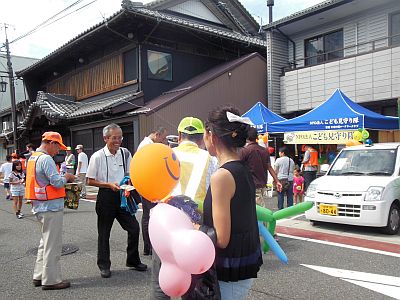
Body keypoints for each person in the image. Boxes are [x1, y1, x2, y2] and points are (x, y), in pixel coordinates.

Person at [150, 117, 218, 300]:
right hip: (196, 225)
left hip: (164, 223)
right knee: (194, 282)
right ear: (201, 137)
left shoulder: (165, 154)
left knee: (161, 280)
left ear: (180, 136)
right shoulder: (210, 160)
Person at [202, 106, 262, 299]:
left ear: (212, 136)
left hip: (229, 268)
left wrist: (194, 226)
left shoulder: (221, 176)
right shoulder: (242, 168)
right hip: (243, 261)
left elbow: (221, 238)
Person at [86, 123, 147, 279]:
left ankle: (133, 260)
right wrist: (107, 184)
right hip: (106, 196)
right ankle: (104, 265)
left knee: (133, 228)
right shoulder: (97, 156)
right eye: (114, 138)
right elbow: (89, 181)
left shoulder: (125, 153)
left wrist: (131, 184)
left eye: (120, 137)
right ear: (106, 138)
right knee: (104, 233)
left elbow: (130, 173)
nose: (118, 140)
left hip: (122, 195)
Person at [26, 131, 75, 290]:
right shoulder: (46, 159)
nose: (59, 151)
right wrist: (67, 177)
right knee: (52, 245)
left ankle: (39, 275)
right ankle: (51, 280)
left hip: (38, 205)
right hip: (50, 207)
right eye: (58, 147)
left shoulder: (33, 157)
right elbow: (57, 182)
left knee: (44, 242)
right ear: (51, 143)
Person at [137, 126, 167, 256]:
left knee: (147, 215)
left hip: (146, 184)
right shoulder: (148, 146)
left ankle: (147, 247)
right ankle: (149, 247)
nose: (163, 141)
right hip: (149, 184)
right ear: (157, 135)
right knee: (150, 216)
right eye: (163, 138)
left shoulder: (145, 144)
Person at [240, 127, 282, 207]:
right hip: (262, 184)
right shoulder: (264, 150)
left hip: (251, 184)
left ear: (247, 137)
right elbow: (269, 167)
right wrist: (277, 181)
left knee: (259, 211)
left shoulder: (245, 150)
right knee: (258, 209)